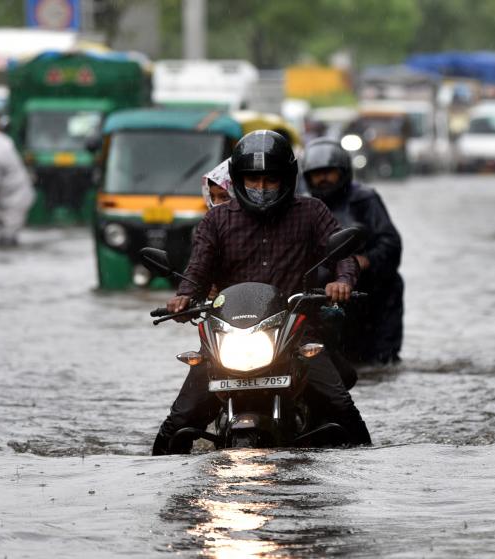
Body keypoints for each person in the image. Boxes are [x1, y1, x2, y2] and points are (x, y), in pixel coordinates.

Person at [152, 130, 372, 455]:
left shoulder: (312, 212)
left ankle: (370, 474)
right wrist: (184, 296)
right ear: (239, 180)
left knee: (341, 405)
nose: (262, 188)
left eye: (271, 180)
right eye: (253, 180)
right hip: (228, 336)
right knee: (178, 421)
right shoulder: (216, 220)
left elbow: (344, 257)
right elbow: (197, 270)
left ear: (287, 180)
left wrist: (342, 282)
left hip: (295, 332)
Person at [301, 137, 404, 365]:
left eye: (329, 172)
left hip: (372, 295)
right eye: (317, 173)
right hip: (325, 296)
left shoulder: (365, 199)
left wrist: (364, 261)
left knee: (380, 363)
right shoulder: (304, 207)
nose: (323, 178)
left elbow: (391, 243)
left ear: (343, 171)